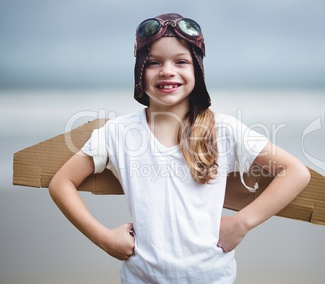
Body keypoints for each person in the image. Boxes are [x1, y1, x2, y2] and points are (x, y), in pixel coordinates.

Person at [49, 13, 311, 284]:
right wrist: (104, 239)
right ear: (140, 70)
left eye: (181, 61)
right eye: (153, 62)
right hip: (141, 278)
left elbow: (295, 172)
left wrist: (241, 223)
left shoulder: (224, 129)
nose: (167, 71)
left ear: (197, 68)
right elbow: (62, 182)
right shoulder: (118, 133)